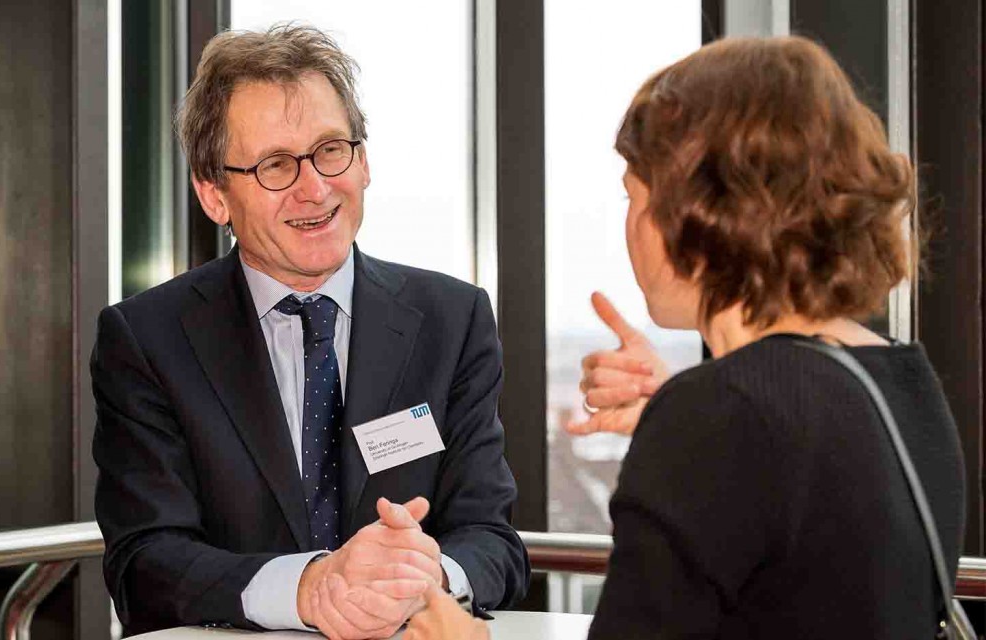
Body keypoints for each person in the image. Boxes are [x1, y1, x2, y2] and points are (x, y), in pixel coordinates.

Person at [404, 35, 966, 639]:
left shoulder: (722, 414)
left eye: (633, 195)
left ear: (693, 213)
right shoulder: (903, 384)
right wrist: (680, 412)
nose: (628, 223)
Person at [91, 24, 528, 637]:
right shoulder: (147, 340)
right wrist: (308, 586)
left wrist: (425, 578)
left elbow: (493, 539)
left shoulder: (452, 320)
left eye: (330, 149)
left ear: (364, 159)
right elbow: (144, 563)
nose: (315, 187)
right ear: (214, 195)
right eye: (275, 165)